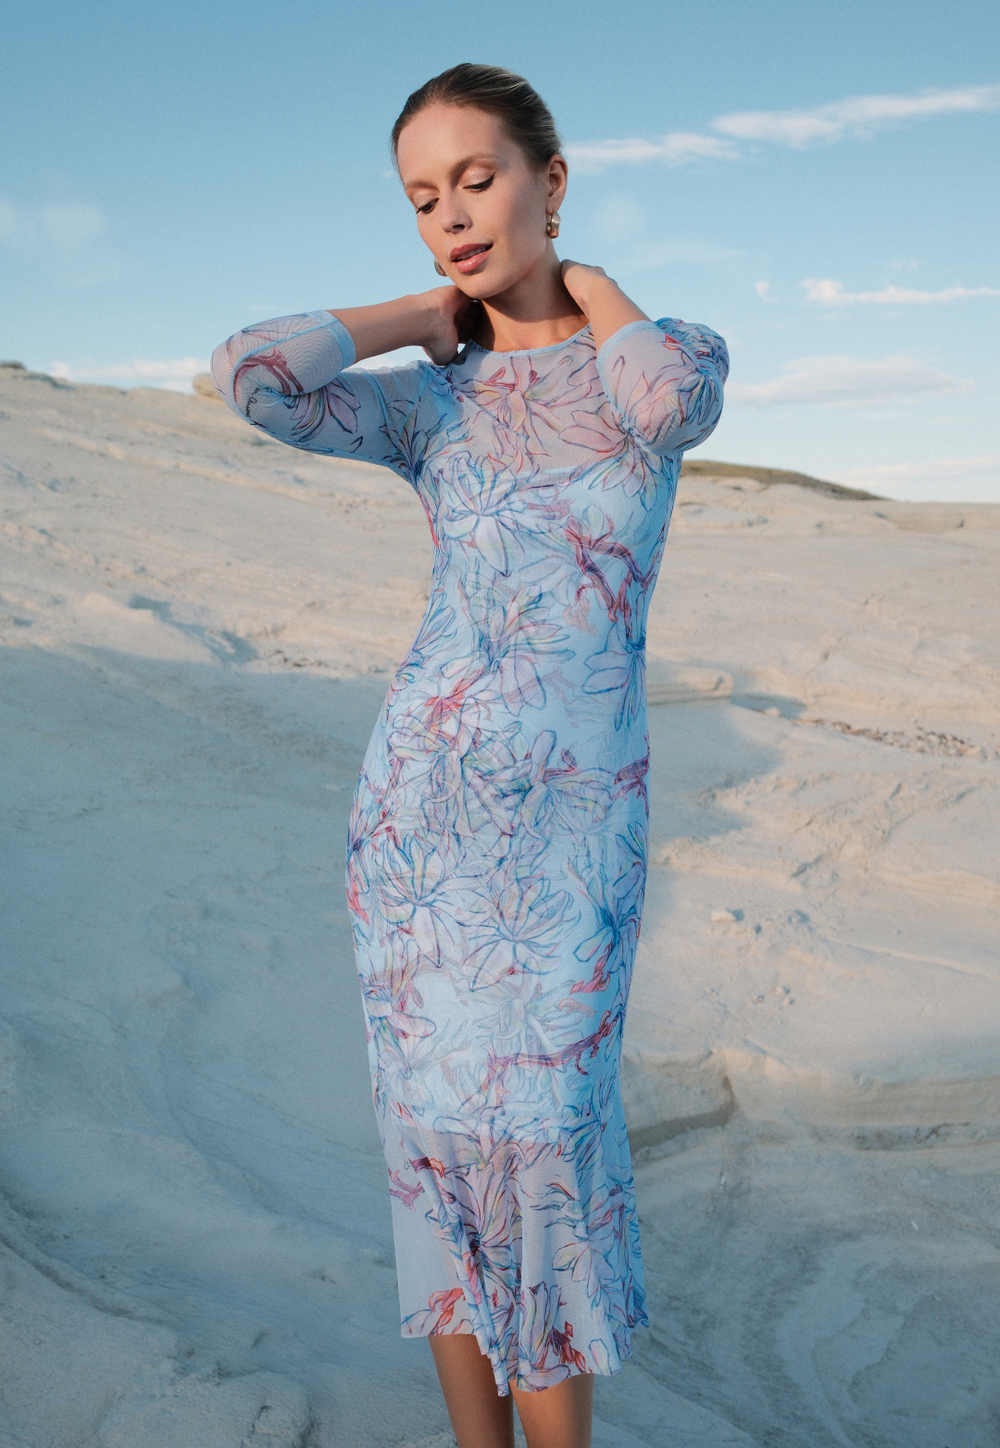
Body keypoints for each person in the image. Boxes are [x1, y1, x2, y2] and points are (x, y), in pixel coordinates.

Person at [212, 62, 727, 1448]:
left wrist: (594, 280)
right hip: (420, 830)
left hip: (575, 840)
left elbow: (670, 405)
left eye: (479, 179)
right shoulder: (430, 406)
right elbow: (250, 376)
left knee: (549, 1146)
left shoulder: (654, 358)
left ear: (550, 181)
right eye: (422, 198)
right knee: (436, 1157)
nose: (451, 213)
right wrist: (415, 319)